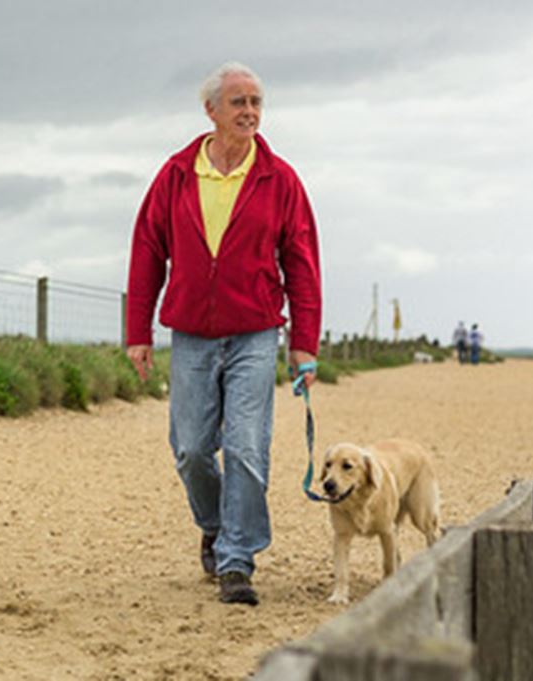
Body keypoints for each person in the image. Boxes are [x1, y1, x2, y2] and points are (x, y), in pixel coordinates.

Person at [125, 62, 321, 607]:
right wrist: (137, 331)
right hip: (190, 333)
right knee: (190, 448)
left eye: (257, 102)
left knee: (245, 447)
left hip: (257, 332)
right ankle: (214, 524)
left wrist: (304, 343)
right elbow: (147, 252)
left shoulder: (279, 179)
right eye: (239, 103)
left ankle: (237, 559)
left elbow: (302, 263)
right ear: (211, 110)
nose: (250, 113)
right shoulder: (176, 174)